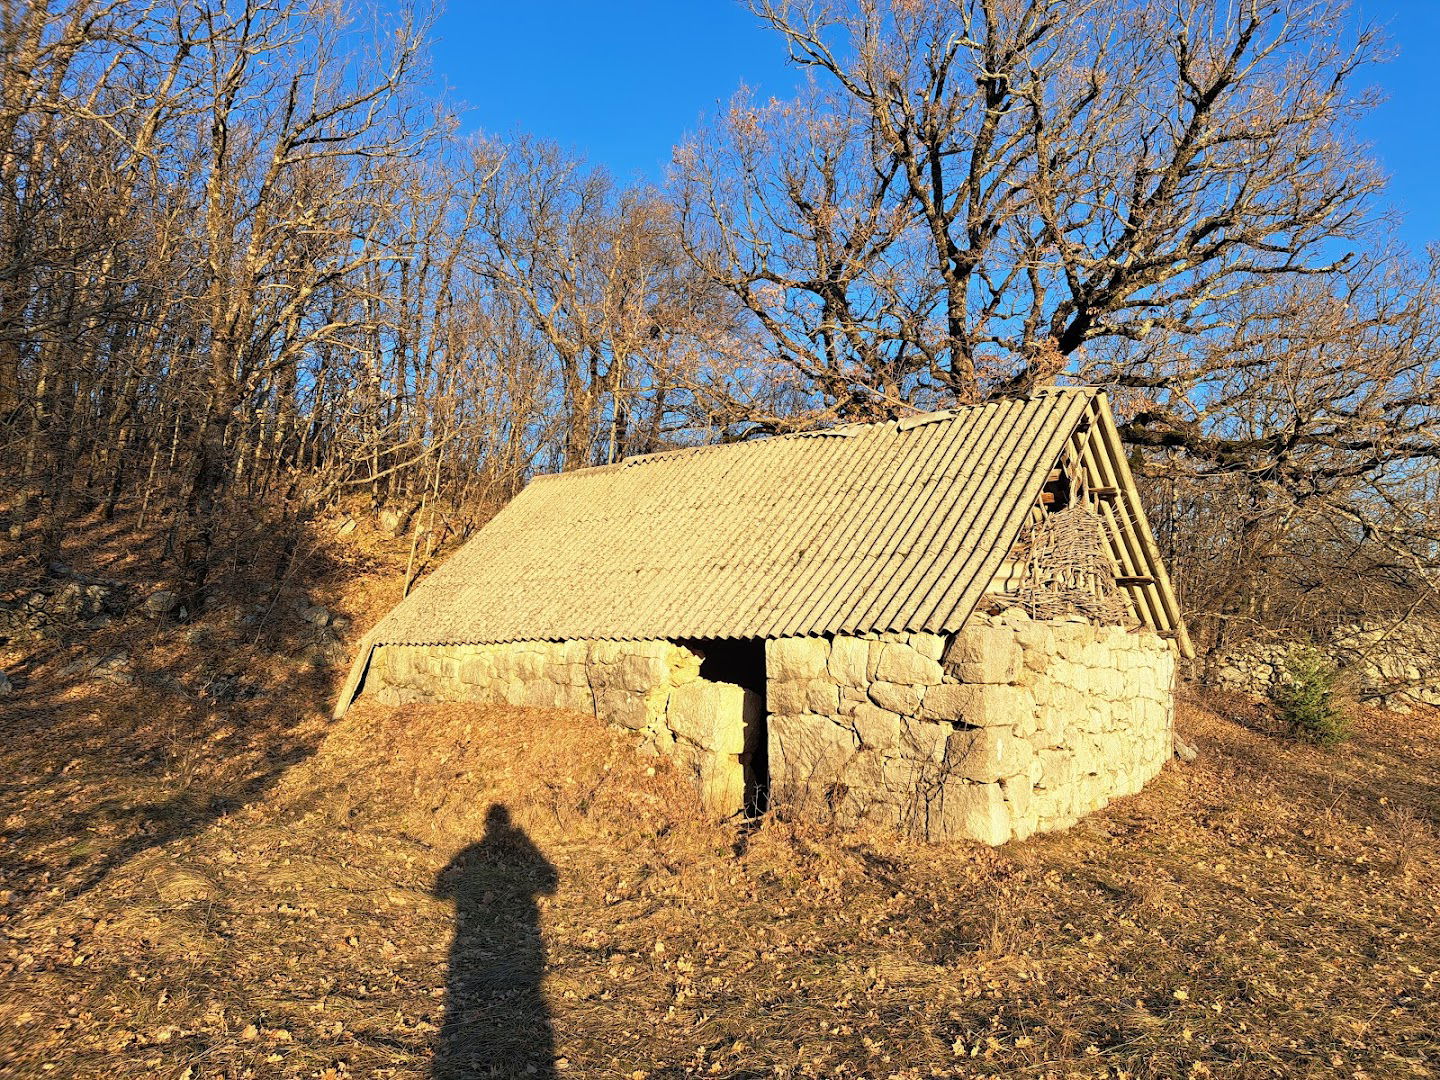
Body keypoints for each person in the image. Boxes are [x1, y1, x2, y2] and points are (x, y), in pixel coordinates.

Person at [432, 804, 559, 1078]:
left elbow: (440, 889)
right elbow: (549, 882)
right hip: (516, 932)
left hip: (475, 935)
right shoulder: (517, 846)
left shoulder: (472, 852)